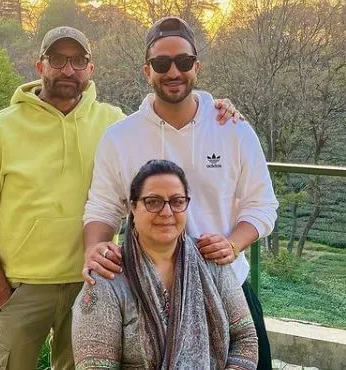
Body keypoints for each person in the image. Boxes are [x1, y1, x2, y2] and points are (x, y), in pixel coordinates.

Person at [0, 25, 241, 369]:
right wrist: (1, 294)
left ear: (91, 69)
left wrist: (215, 109)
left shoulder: (113, 123)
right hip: (24, 289)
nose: (68, 69)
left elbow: (167, 133)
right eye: (57, 59)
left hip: (93, 284)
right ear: (40, 66)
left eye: (78, 60)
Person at [83, 17, 279, 370]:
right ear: (147, 71)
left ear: (196, 66)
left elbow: (262, 205)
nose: (173, 71)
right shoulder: (119, 138)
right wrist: (94, 249)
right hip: (146, 298)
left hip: (226, 286)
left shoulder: (233, 129)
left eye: (183, 62)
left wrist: (233, 243)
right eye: (162, 63)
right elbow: (101, 208)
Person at [73, 159, 258, 369]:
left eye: (177, 201)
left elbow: (245, 339)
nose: (167, 212)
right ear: (133, 207)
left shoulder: (211, 261)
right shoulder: (108, 277)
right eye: (153, 201)